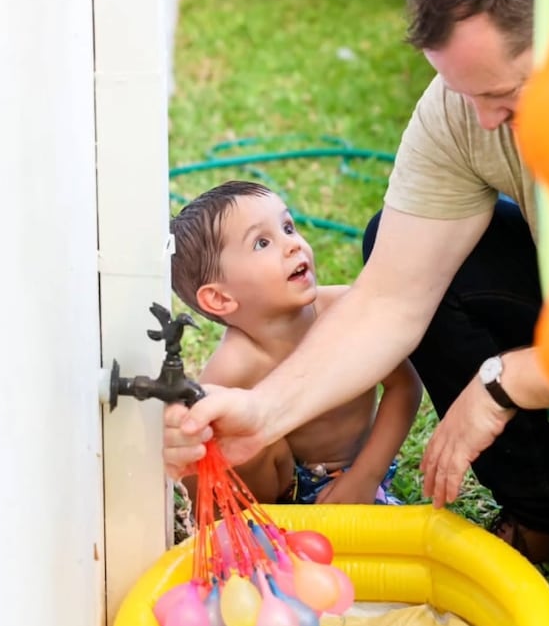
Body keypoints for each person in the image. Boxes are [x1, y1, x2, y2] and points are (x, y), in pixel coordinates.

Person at [162, 0, 549, 563]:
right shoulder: (461, 113)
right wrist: (264, 413)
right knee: (406, 248)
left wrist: (505, 382)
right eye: (466, 94)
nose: (487, 120)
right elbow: (393, 299)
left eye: (503, 94)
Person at [169, 180, 423, 505]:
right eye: (262, 243)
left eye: (288, 227)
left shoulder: (347, 313)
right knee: (231, 436)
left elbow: (405, 388)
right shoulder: (235, 364)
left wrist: (365, 477)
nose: (293, 245)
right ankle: (266, 528)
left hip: (361, 472)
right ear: (220, 298)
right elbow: (199, 462)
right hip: (284, 486)